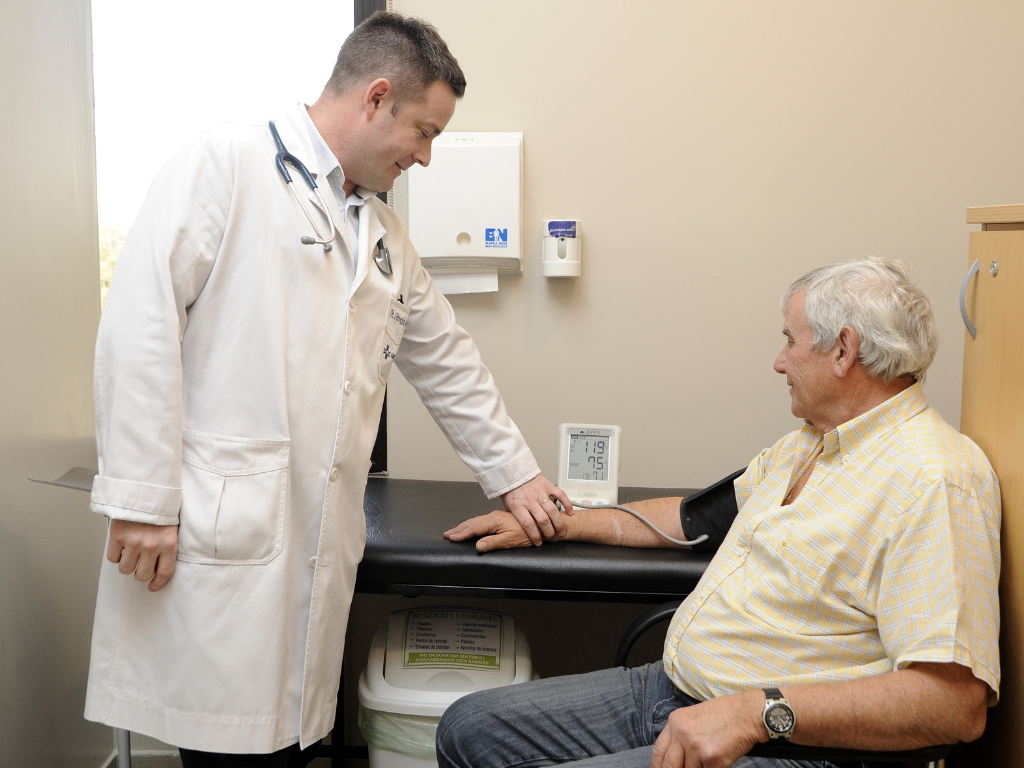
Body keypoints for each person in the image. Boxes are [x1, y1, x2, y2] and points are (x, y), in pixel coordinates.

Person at [85, 12, 572, 767]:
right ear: (376, 97)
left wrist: (517, 476)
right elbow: (137, 328)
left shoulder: (382, 235)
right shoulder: (228, 165)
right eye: (425, 131)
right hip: (221, 527)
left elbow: (448, 362)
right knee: (225, 748)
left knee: (290, 744)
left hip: (311, 542)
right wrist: (142, 501)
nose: (427, 156)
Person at [439, 257, 1001, 768]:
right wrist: (560, 523)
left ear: (843, 349)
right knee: (467, 730)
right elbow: (694, 520)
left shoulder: (934, 480)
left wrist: (756, 712)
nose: (779, 361)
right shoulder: (811, 442)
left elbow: (953, 704)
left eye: (790, 340)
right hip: (674, 691)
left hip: (785, 742)